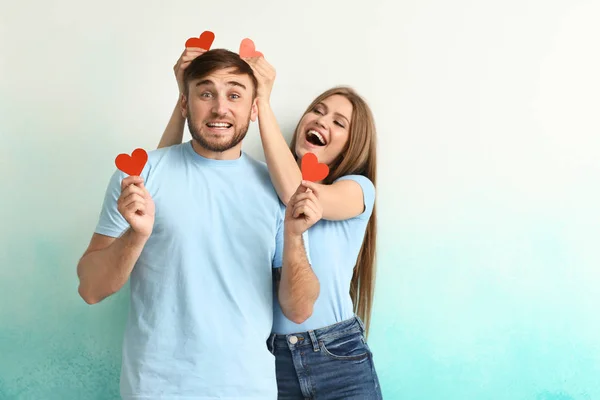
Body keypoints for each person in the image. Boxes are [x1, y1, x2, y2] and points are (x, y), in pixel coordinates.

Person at [76, 48, 322, 400]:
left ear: (253, 109)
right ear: (185, 104)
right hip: (155, 388)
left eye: (234, 94)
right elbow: (90, 288)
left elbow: (300, 310)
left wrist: (295, 237)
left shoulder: (279, 192)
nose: (220, 108)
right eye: (206, 93)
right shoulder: (140, 178)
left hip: (247, 389)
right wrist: (136, 235)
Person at [161, 47, 382, 399]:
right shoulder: (260, 187)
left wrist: (261, 100)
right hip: (272, 360)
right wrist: (184, 95)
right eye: (318, 111)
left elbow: (298, 195)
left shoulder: (357, 190)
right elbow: (161, 180)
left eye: (339, 123)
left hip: (336, 357)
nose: (322, 121)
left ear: (352, 146)